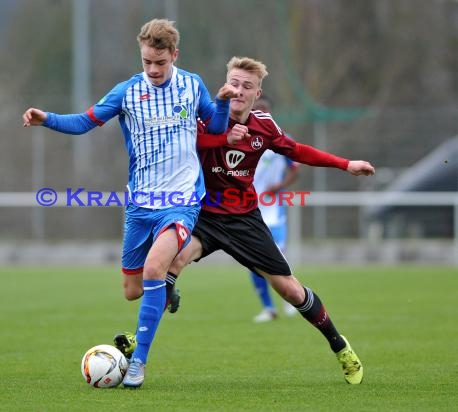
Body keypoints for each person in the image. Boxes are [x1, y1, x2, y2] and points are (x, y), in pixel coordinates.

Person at [118, 56, 374, 385]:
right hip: (202, 213)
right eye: (234, 83)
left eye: (246, 87)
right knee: (169, 262)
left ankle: (341, 347)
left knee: (291, 291)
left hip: (243, 219)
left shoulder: (264, 126)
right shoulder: (203, 117)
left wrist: (345, 164)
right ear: (225, 83)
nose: (238, 91)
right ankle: (141, 344)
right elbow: (185, 143)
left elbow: (297, 151)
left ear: (257, 94)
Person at [22, 19, 239, 388]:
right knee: (133, 290)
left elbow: (217, 130)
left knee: (155, 268)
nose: (153, 70)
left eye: (160, 62)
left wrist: (219, 103)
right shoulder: (126, 92)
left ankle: (137, 364)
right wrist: (47, 120)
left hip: (182, 201)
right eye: (146, 62)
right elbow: (83, 123)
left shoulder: (192, 85)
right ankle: (167, 291)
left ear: (174, 55)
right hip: (140, 205)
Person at [249, 96, 299, 322]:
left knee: (278, 257)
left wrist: (279, 186)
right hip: (248, 209)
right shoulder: (241, 137)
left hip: (272, 210)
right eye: (257, 109)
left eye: (264, 109)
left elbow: (295, 169)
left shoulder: (282, 139)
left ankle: (292, 299)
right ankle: (269, 308)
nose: (260, 112)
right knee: (251, 261)